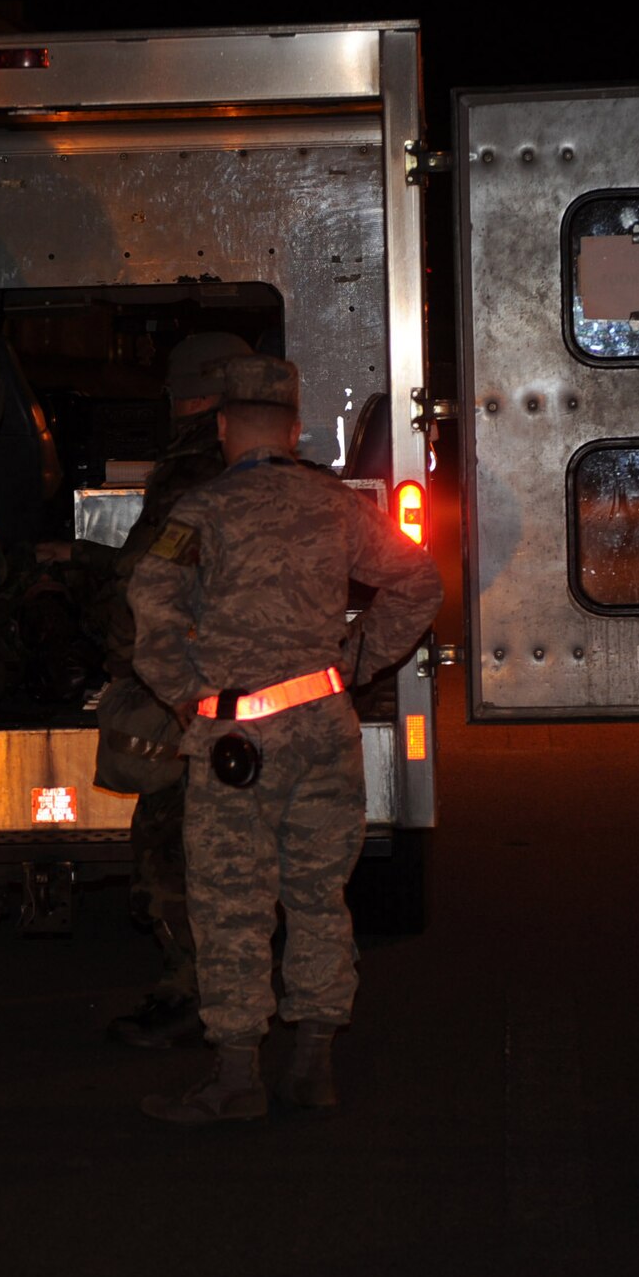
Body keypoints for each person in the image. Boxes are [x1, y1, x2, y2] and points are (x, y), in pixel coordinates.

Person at [127, 354, 441, 1125]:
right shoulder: (335, 506)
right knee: (318, 895)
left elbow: (150, 601)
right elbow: (418, 581)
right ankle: (314, 1064)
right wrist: (359, 657)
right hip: (325, 729)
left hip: (241, 739)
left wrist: (183, 697)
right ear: (296, 430)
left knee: (234, 901)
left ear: (225, 427)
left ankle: (236, 1075)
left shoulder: (202, 512)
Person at [96, 330, 254, 1049]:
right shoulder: (268, 465)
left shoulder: (189, 467)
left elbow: (147, 582)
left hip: (192, 688)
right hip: (261, 686)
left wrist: (125, 663)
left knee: (170, 850)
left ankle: (196, 998)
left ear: (190, 397)